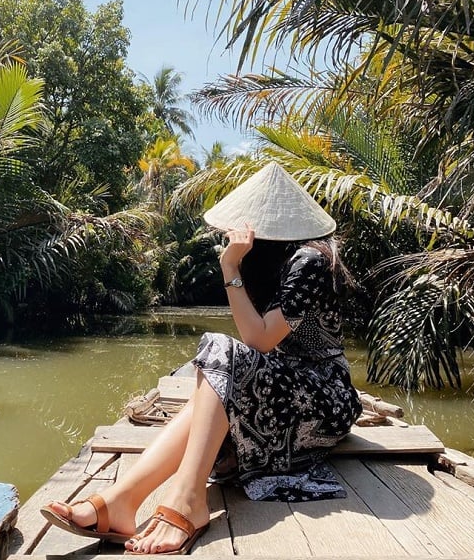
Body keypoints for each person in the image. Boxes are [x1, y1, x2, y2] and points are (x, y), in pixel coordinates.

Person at [40, 162, 363, 555]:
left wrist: (229, 267)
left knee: (220, 349)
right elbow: (259, 345)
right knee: (213, 381)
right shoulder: (274, 264)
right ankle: (122, 500)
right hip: (284, 392)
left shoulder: (310, 260)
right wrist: (239, 266)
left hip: (323, 399)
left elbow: (258, 340)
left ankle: (186, 500)